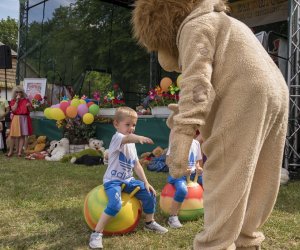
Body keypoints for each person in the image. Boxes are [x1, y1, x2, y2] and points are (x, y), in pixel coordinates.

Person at [133, 1, 289, 250]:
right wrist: (187, 115)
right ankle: (246, 239)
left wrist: (183, 135)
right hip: (277, 91)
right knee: (258, 173)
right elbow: (224, 77)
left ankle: (214, 244)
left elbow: (197, 83)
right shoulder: (229, 23)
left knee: (224, 169)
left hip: (246, 93)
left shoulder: (193, 25)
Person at [89, 106, 168, 249]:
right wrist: (139, 138)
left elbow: (136, 165)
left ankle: (150, 222)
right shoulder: (117, 138)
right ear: (116, 124)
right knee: (115, 204)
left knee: (149, 193)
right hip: (113, 181)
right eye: (127, 124)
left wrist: (146, 182)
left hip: (128, 180)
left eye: (134, 125)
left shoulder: (131, 144)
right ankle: (96, 233)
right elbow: (128, 137)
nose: (131, 128)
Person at [166, 129, 203, 228]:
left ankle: (208, 209)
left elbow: (198, 161)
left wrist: (199, 168)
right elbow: (168, 161)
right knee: (182, 190)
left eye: (193, 129)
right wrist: (181, 170)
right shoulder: (176, 143)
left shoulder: (196, 143)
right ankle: (172, 217)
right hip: (177, 174)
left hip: (193, 175)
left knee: (208, 183)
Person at [7, 86, 33, 157]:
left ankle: (19, 152)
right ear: (14, 93)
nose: (18, 93)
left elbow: (31, 110)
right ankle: (10, 151)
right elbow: (13, 110)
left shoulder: (26, 100)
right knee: (12, 135)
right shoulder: (13, 100)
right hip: (16, 118)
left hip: (24, 118)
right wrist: (17, 101)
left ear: (22, 93)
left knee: (22, 136)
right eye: (17, 92)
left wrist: (29, 106)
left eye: (20, 92)